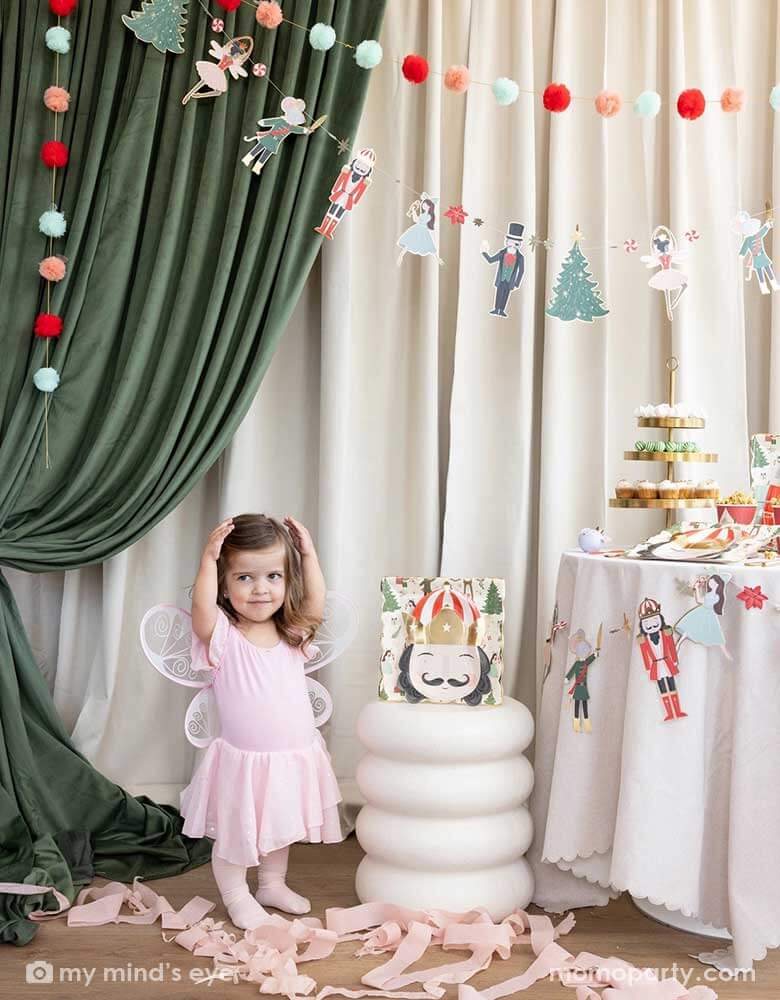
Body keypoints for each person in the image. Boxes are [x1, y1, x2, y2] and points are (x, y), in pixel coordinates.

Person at [181, 514, 342, 929]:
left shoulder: (293, 634)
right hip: (243, 762)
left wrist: (308, 555)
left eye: (273, 576)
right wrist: (206, 560)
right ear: (224, 584)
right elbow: (200, 609)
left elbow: (317, 603)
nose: (260, 589)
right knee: (237, 835)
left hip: (291, 757)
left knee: (281, 824)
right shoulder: (222, 636)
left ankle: (272, 883)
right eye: (245, 578)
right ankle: (236, 895)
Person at [636, 597, 687, 722]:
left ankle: (677, 710)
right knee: (662, 689)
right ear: (643, 625)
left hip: (667, 662)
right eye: (647, 623)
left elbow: (671, 648)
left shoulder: (666, 634)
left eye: (654, 620)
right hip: (656, 666)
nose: (651, 625)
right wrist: (648, 668)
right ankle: (669, 712)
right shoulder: (643, 640)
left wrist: (674, 660)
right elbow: (644, 655)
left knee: (672, 686)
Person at [675, 574, 730, 659]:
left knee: (716, 635)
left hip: (708, 614)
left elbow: (705, 603)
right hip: (701, 612)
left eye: (713, 583)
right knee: (687, 630)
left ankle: (725, 654)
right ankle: (677, 646)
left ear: (718, 584)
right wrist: (697, 588)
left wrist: (697, 588)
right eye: (710, 582)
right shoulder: (710, 593)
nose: (711, 584)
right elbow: (699, 600)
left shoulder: (717, 596)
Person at [397, 195, 444, 265]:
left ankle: (437, 258)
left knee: (429, 245)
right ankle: (401, 256)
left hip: (421, 230)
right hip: (417, 229)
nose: (423, 206)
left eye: (425, 205)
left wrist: (413, 211)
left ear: (429, 206)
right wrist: (413, 211)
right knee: (409, 243)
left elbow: (417, 220)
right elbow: (416, 219)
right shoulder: (423, 214)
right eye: (423, 205)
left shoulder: (429, 216)